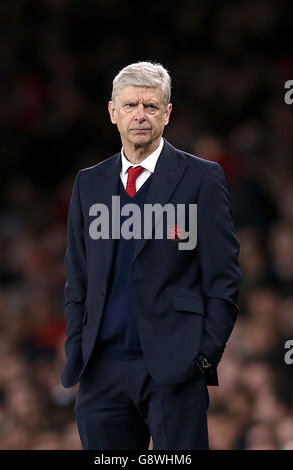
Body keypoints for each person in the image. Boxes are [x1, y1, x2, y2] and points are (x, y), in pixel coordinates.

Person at [61, 61, 242, 450]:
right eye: (130, 106)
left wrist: (204, 357)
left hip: (174, 370)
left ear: (167, 113)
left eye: (151, 106)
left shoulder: (201, 178)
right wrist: (77, 345)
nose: (140, 115)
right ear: (113, 112)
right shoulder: (89, 183)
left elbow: (223, 279)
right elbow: (77, 280)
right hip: (101, 372)